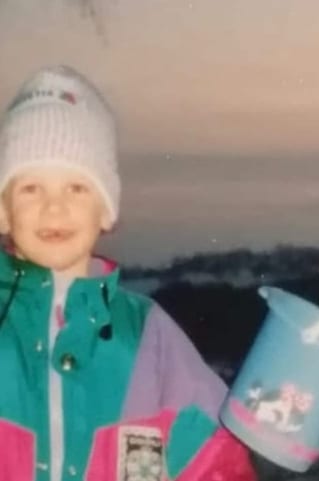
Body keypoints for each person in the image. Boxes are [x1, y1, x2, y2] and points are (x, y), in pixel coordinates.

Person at [0, 65, 256, 481]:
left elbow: (213, 459)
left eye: (77, 188)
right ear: (4, 213)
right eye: (31, 188)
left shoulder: (149, 337)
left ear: (106, 209)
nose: (54, 207)